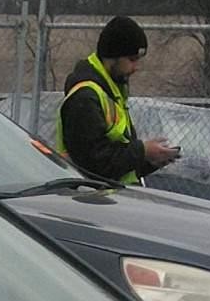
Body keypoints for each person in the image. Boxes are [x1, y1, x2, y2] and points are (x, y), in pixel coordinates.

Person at [57, 16, 180, 186]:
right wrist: (142, 151)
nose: (136, 68)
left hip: (113, 199)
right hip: (94, 203)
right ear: (112, 56)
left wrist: (151, 160)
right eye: (131, 60)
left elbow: (117, 163)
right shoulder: (85, 97)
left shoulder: (112, 93)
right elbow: (93, 163)